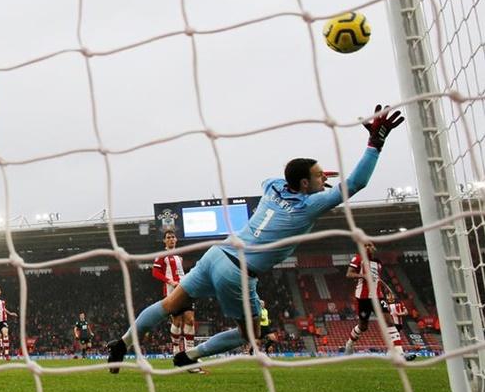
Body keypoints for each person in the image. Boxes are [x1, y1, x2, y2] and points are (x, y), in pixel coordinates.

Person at [107, 104, 404, 373]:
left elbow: (282, 178)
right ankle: (190, 356)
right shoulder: (310, 205)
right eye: (317, 176)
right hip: (239, 272)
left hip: (216, 253)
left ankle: (122, 343)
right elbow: (356, 183)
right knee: (250, 334)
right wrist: (375, 143)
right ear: (304, 183)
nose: (322, 180)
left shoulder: (273, 185)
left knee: (169, 305)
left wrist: (309, 176)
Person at [343, 243, 415, 361]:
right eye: (365, 246)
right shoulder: (358, 258)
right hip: (363, 298)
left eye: (370, 246)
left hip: (378, 297)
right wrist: (363, 276)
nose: (368, 248)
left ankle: (400, 353)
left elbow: (377, 279)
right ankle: (349, 344)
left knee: (389, 322)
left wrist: (383, 287)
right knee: (363, 326)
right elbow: (349, 273)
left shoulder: (378, 263)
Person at [152, 230, 196, 356]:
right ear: (164, 241)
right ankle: (176, 349)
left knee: (190, 319)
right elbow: (155, 272)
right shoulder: (162, 255)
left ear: (176, 240)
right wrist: (170, 281)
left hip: (185, 289)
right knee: (177, 321)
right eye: (168, 237)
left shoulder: (179, 256)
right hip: (172, 292)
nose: (171, 239)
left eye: (173, 237)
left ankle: (190, 352)